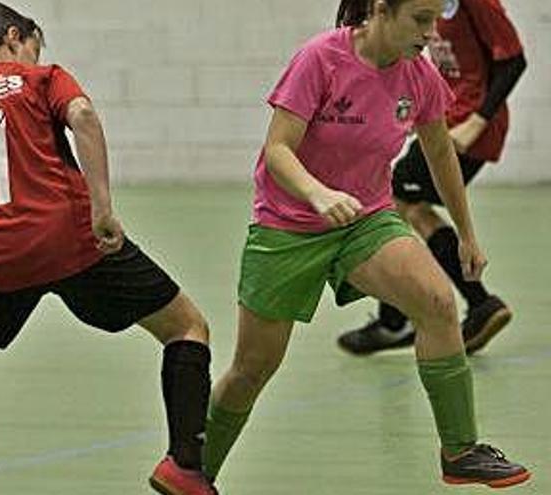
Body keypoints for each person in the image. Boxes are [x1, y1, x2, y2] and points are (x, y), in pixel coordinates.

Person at [0, 2, 217, 494]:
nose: (36, 56)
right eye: (35, 45)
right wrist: (102, 208)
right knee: (187, 326)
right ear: (15, 36)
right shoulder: (40, 79)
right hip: (73, 241)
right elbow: (83, 115)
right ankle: (184, 466)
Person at [200, 0, 530, 489]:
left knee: (438, 302)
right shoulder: (320, 59)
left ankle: (460, 450)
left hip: (365, 221)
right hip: (287, 228)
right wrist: (317, 192)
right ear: (380, 11)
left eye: (435, 19)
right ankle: (195, 468)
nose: (430, 32)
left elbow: (440, 151)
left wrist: (466, 232)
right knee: (252, 369)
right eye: (420, 19)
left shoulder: (418, 76)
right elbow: (277, 151)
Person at [338, 0, 527, 356]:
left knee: (396, 197)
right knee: (408, 204)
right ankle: (456, 308)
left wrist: (478, 121)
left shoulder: (478, 5)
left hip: (470, 125)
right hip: (448, 114)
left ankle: (403, 318)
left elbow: (514, 61)